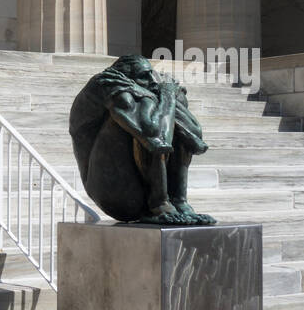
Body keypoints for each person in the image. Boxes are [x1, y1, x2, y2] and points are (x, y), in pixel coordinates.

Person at [69, 54, 216, 224]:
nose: (153, 81)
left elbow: (195, 134)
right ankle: (159, 204)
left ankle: (179, 201)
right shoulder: (108, 82)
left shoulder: (150, 86)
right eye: (144, 76)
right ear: (126, 76)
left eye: (152, 74)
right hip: (113, 191)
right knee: (141, 113)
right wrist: (167, 96)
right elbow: (151, 133)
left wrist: (169, 97)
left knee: (164, 112)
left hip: (138, 184)